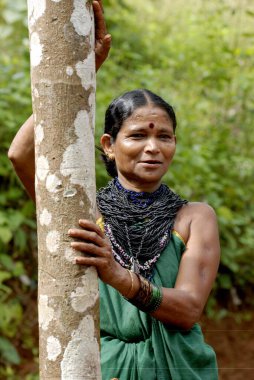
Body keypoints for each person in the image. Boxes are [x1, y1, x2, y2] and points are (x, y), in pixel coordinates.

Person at [8, 1, 220, 379]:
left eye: (165, 137)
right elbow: (21, 154)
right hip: (107, 368)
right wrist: (84, 70)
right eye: (138, 135)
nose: (153, 148)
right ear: (108, 144)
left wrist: (117, 274)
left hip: (182, 367)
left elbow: (188, 309)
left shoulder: (194, 218)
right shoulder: (85, 213)